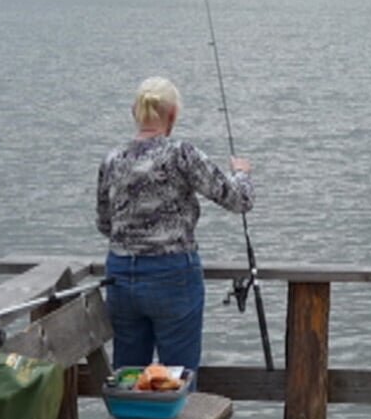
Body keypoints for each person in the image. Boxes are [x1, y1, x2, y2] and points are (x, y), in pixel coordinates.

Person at [96, 76, 253, 372]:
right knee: (177, 376)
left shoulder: (112, 159)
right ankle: (175, 418)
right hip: (172, 275)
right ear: (173, 115)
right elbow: (238, 200)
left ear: (135, 112)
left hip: (120, 275)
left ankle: (130, 418)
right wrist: (242, 173)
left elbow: (105, 223)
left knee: (128, 375)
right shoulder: (181, 154)